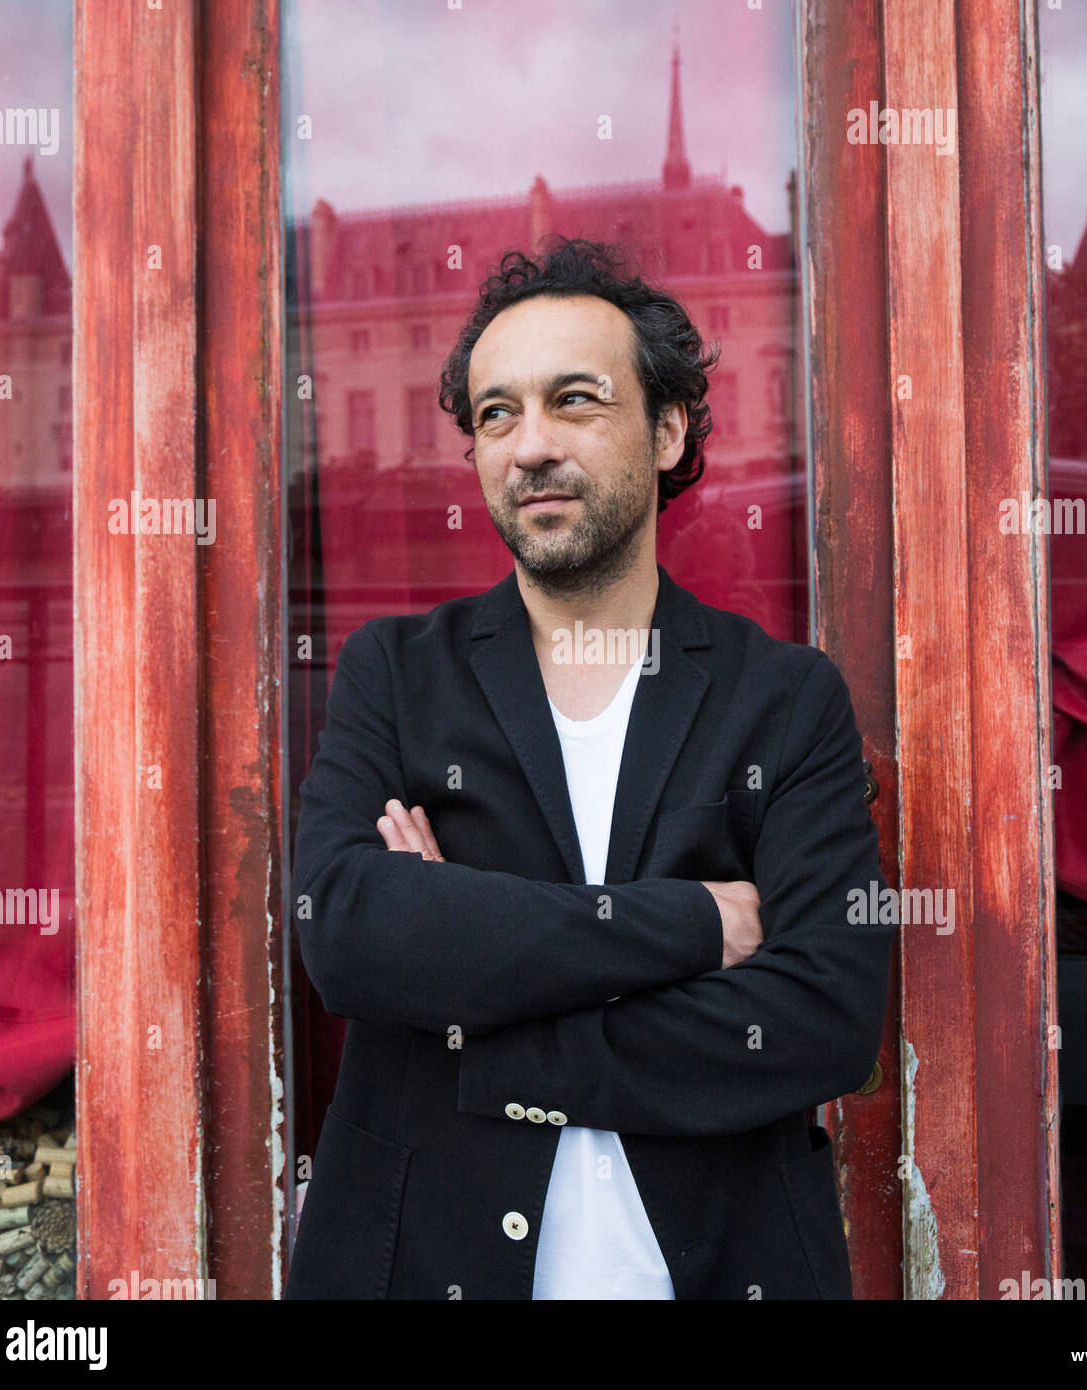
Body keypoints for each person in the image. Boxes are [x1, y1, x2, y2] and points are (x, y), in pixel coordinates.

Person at [283, 238, 894, 1300]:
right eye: (496, 414)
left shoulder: (785, 699)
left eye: (573, 402)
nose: (529, 446)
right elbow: (346, 932)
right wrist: (698, 925)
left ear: (665, 432)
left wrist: (479, 1009)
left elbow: (823, 1020)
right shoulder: (394, 674)